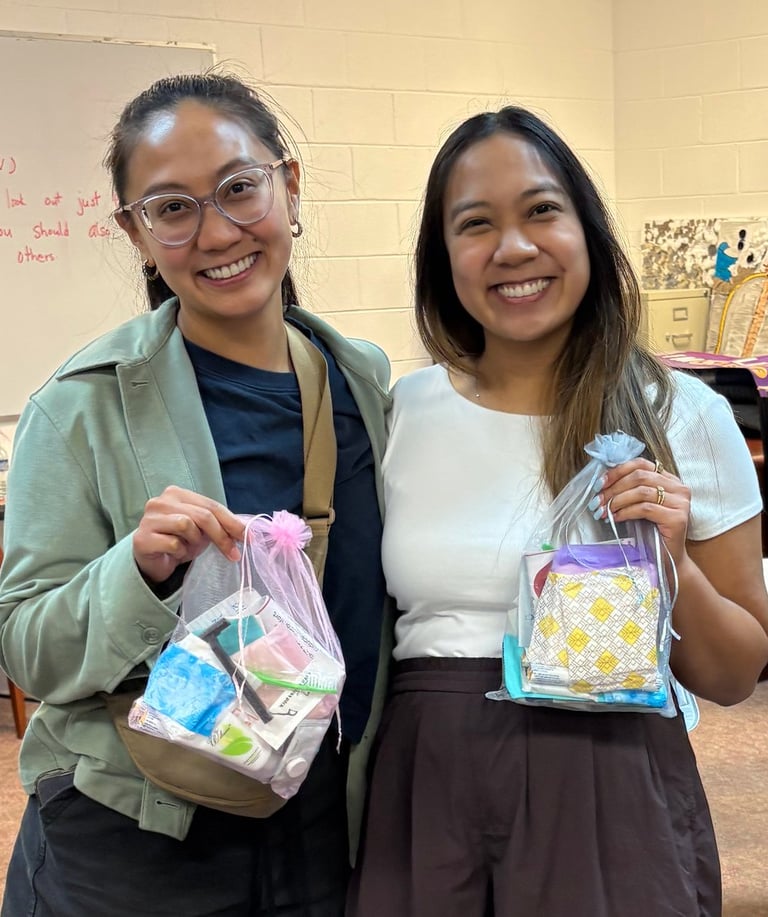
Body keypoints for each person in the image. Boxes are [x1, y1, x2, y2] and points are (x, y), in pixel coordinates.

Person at [347, 106, 768, 917]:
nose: (513, 248)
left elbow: (733, 672)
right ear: (444, 258)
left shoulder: (680, 414)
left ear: (587, 230)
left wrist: (673, 564)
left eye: (542, 210)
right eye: (476, 224)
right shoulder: (405, 409)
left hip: (607, 775)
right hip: (426, 776)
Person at [0, 71, 390, 917]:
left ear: (289, 187)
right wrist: (134, 572)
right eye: (172, 208)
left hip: (322, 824)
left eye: (239, 189)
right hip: (139, 833)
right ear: (135, 234)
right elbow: (26, 646)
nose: (216, 231)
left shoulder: (363, 382)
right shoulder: (81, 406)